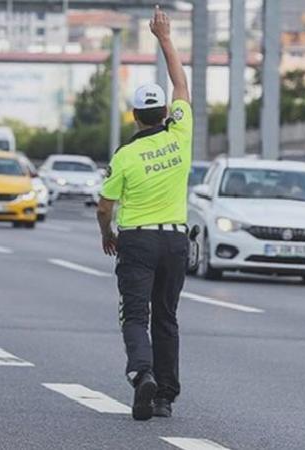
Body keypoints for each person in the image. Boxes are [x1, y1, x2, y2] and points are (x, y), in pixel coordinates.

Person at [96, 6, 192, 422]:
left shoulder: (127, 156)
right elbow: (181, 83)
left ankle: (142, 373)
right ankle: (165, 397)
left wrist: (107, 233)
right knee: (166, 317)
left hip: (136, 240)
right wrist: (164, 38)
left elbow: (104, 207)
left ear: (135, 116)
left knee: (136, 314)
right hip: (175, 240)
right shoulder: (182, 133)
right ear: (165, 113)